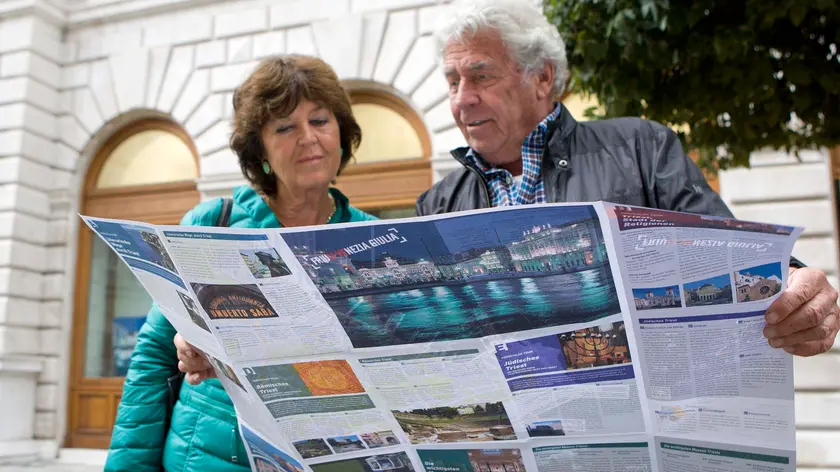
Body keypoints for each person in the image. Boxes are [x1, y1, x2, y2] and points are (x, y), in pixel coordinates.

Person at [413, 0, 838, 356]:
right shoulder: (437, 202)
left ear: (541, 78)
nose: (462, 100)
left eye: (481, 76)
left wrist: (796, 288)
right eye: (453, 82)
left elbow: (730, 254)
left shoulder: (639, 147)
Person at [105, 55, 377, 472]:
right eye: (285, 127)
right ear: (260, 150)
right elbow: (153, 358)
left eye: (320, 121)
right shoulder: (211, 223)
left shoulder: (374, 238)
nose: (308, 138)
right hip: (210, 458)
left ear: (342, 134)